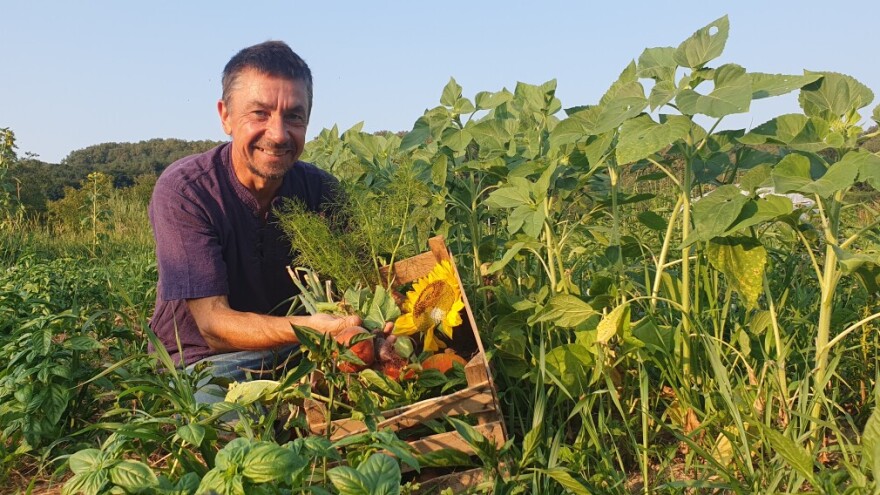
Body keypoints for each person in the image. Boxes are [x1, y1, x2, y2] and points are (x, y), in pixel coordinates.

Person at [148, 40, 360, 403]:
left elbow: (361, 281)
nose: (278, 135)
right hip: (209, 361)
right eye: (259, 113)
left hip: (300, 350)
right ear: (226, 116)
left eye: (294, 116)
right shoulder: (186, 191)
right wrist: (311, 329)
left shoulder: (322, 190)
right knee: (227, 425)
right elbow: (213, 325)